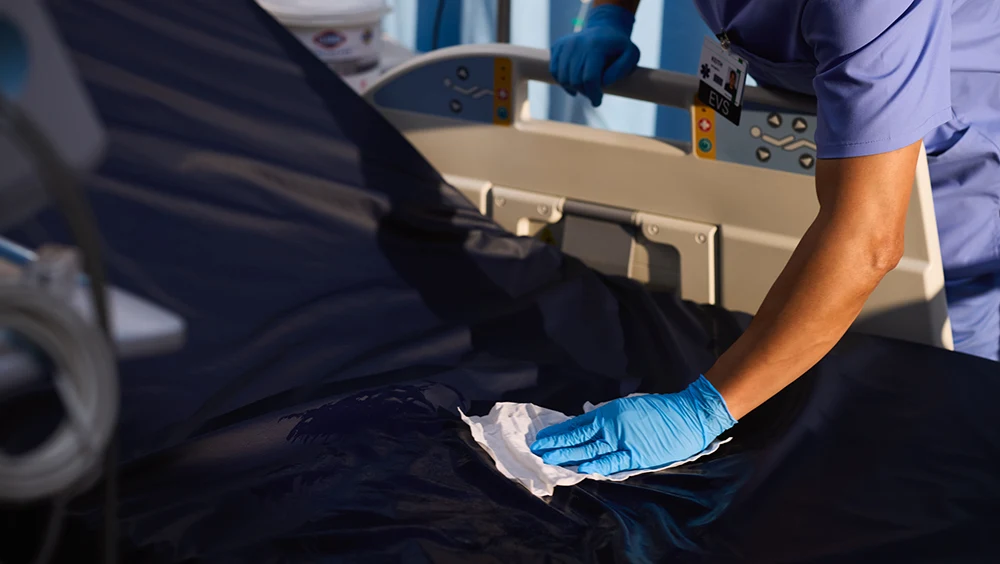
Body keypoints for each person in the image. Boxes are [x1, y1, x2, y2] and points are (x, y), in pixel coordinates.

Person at [531, 0, 1000, 477]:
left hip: (949, 161)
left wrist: (703, 410)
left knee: (947, 393)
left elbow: (867, 241)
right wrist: (607, 17)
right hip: (823, 121)